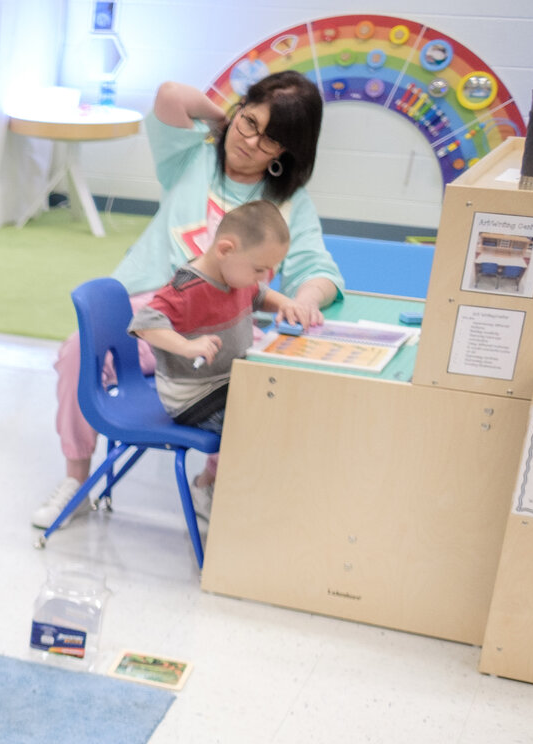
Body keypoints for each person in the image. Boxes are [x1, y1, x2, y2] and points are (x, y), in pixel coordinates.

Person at [33, 71, 344, 530]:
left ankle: (212, 483)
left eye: (270, 140)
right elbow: (170, 95)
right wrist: (223, 123)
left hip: (221, 330)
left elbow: (322, 271)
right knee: (77, 352)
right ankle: (77, 481)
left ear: (287, 152)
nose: (251, 143)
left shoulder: (289, 203)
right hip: (151, 309)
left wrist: (303, 299)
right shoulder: (192, 158)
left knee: (256, 378)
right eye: (250, 123)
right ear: (240, 110)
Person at [130, 199, 290, 435]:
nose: (264, 277)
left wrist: (286, 304)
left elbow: (259, 295)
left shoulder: (237, 276)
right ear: (226, 250)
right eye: (259, 269)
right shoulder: (187, 289)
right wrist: (186, 346)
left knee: (287, 402)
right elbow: (145, 323)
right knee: (265, 427)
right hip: (194, 399)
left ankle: (213, 474)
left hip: (226, 384)